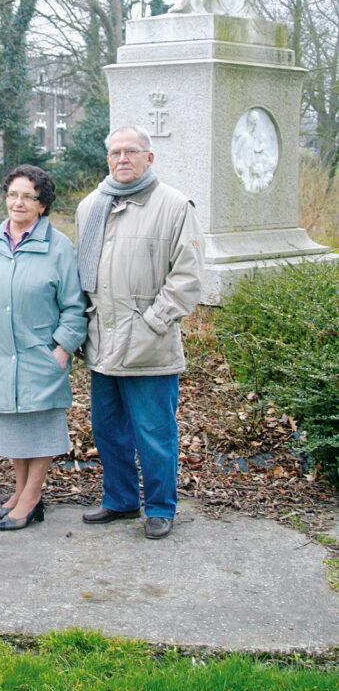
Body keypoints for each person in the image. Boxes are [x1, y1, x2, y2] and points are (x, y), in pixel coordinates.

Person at [76, 126, 203, 539]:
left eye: (132, 151)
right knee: (108, 430)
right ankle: (120, 500)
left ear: (150, 158)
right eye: (115, 152)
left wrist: (153, 322)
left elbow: (186, 278)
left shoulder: (175, 206)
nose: (123, 158)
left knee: (155, 433)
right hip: (102, 343)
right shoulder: (91, 206)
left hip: (150, 345)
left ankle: (162, 507)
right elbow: (82, 275)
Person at [0, 165, 87, 531]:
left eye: (28, 196)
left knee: (40, 426)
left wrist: (63, 347)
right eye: (13, 194)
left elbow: (75, 306)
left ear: (43, 205)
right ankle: (19, 492)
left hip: (40, 354)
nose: (19, 202)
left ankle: (31, 498)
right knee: (12, 427)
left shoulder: (59, 247)